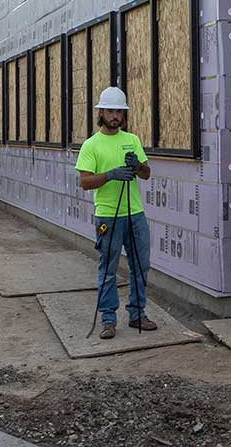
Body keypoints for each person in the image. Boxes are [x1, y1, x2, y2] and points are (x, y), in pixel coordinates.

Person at [76, 86, 156, 340]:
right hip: (108, 216)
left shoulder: (131, 140)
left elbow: (146, 174)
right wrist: (110, 175)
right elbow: (85, 182)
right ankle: (108, 320)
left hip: (135, 214)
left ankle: (137, 314)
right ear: (100, 112)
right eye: (110, 111)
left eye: (119, 112)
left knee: (140, 266)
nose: (115, 116)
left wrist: (138, 165)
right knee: (108, 269)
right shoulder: (91, 145)